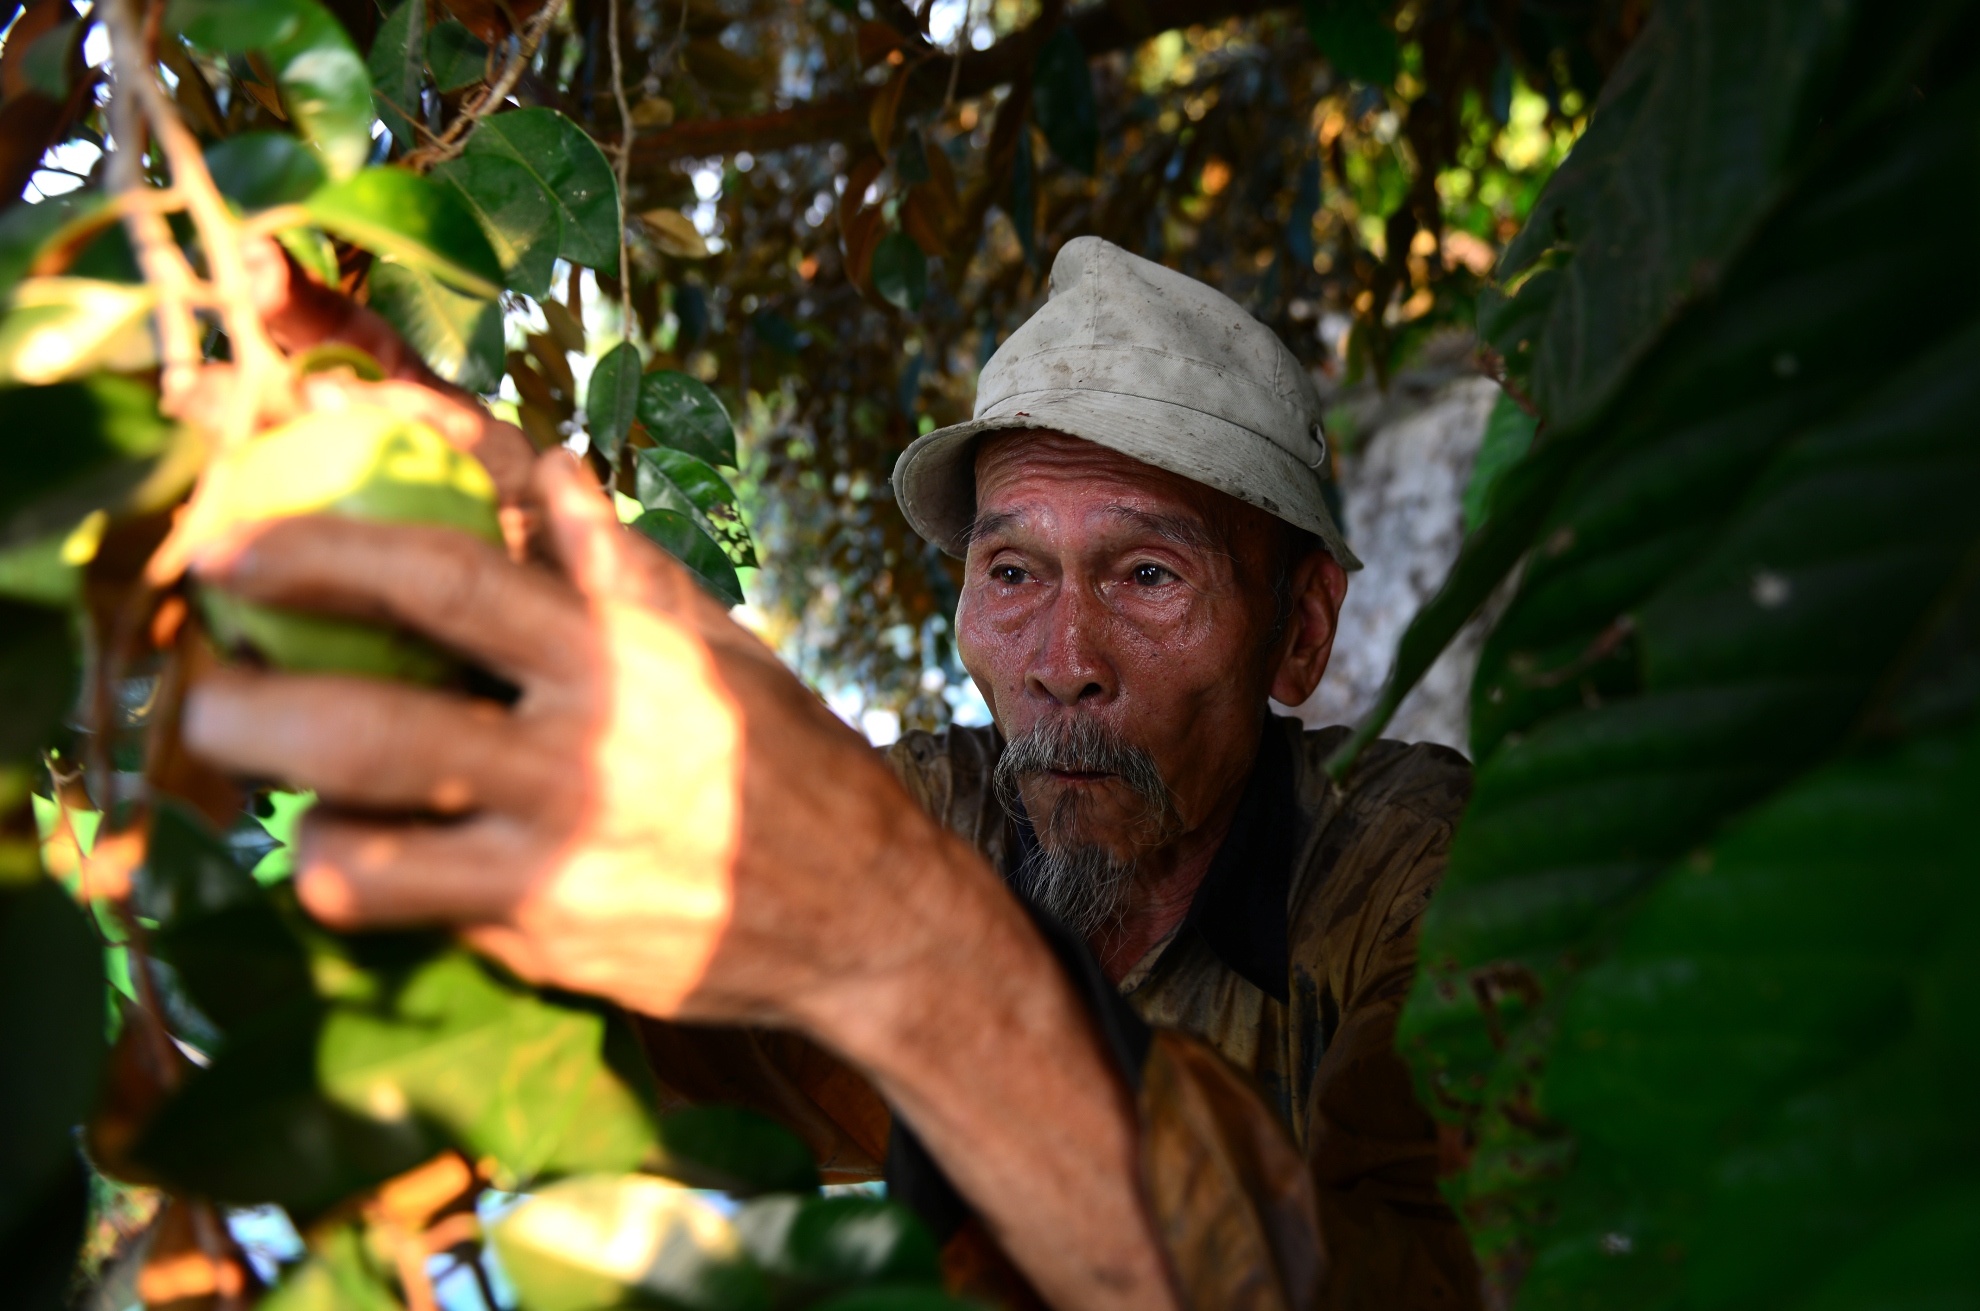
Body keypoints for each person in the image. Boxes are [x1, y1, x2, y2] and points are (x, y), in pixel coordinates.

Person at [185, 236, 1481, 1309]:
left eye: (1149, 575)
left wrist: (918, 954)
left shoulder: (1423, 877)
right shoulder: (950, 813)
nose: (1063, 659)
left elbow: (1456, 1283)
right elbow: (662, 1006)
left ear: (1302, 631)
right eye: (1014, 573)